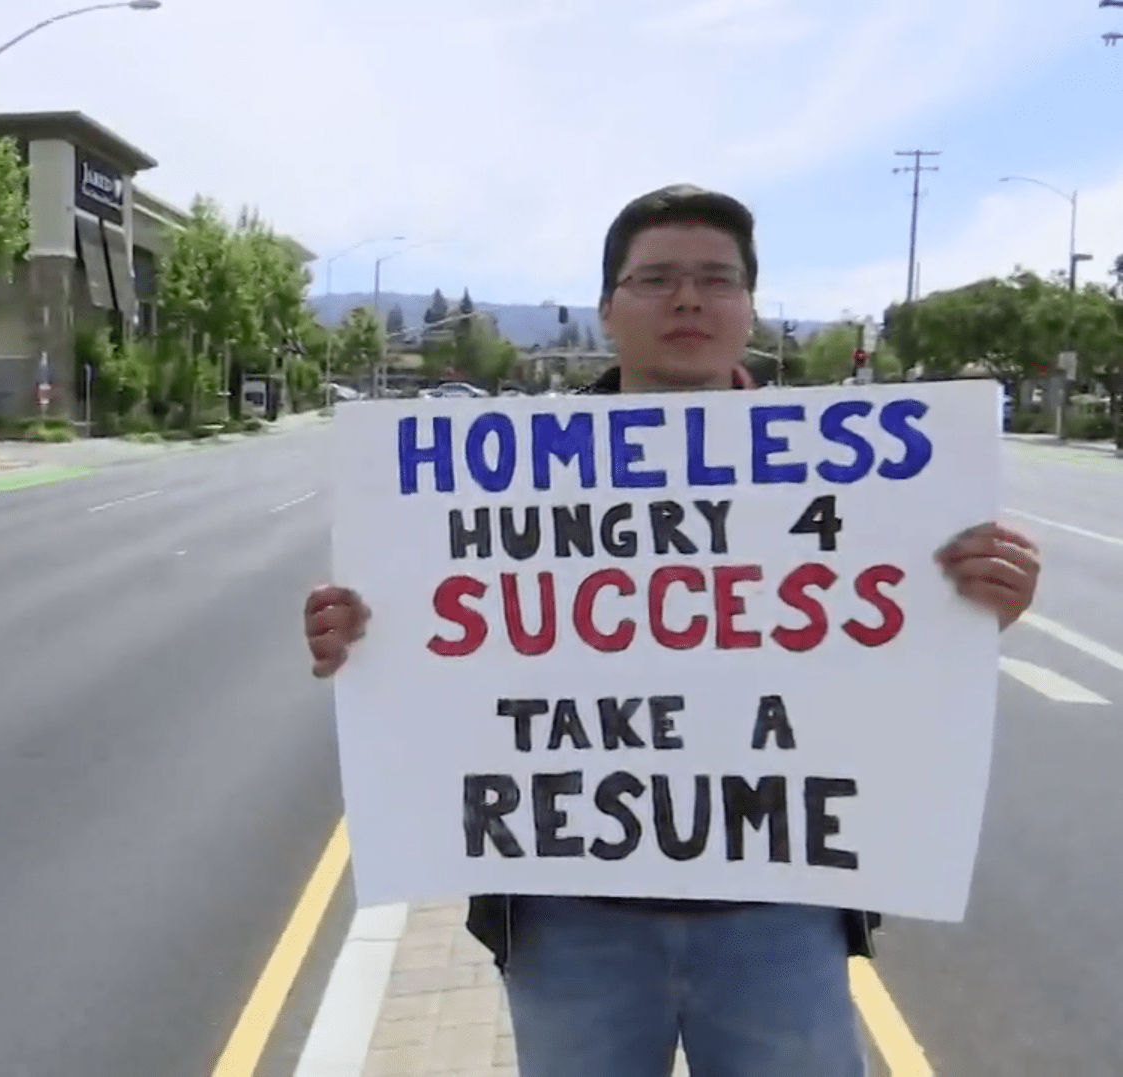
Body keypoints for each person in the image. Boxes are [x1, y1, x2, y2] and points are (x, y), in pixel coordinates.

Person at [302, 184, 1041, 1077]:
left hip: (780, 911)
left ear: (749, 308)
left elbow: (882, 669)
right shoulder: (504, 480)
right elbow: (446, 658)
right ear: (607, 309)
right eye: (656, 279)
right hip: (570, 916)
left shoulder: (856, 478)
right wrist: (369, 638)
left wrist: (970, 612)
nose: (688, 298)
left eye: (715, 279)